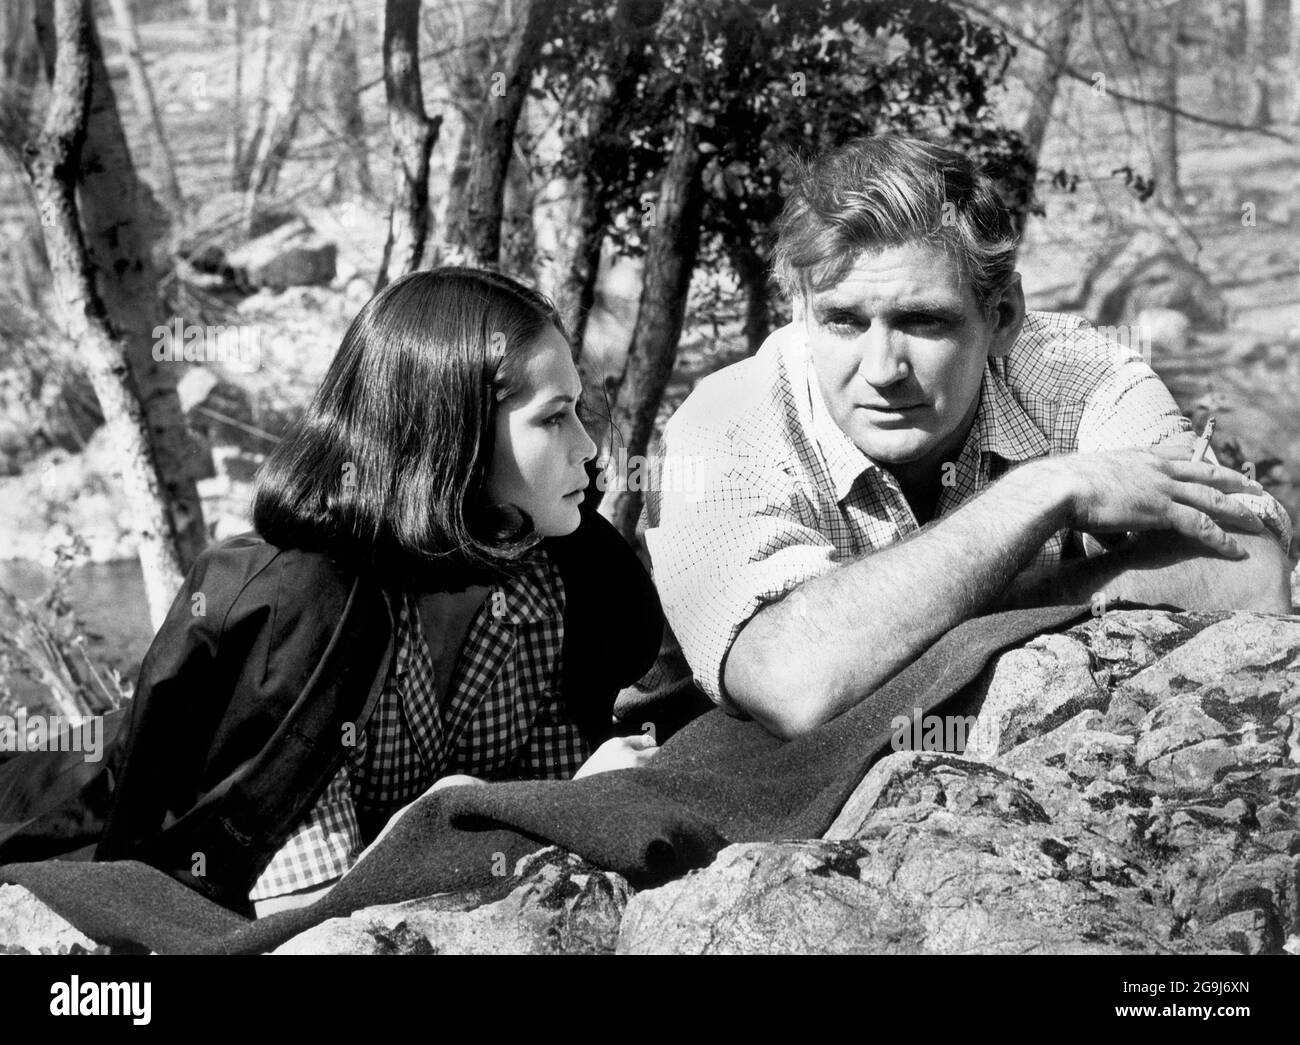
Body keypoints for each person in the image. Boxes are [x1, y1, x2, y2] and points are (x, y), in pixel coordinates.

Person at [644, 134, 1292, 741]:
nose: (882, 370)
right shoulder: (724, 424)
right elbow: (790, 684)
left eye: (923, 321)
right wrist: (1044, 491)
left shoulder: (1086, 377)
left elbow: (1249, 567)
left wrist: (901, 628)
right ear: (801, 314)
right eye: (843, 321)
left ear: (1002, 316)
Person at [94, 268, 664, 916]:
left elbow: (542, 821)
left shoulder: (553, 581)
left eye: (578, 411)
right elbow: (309, 917)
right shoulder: (304, 614)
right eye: (554, 417)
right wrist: (474, 814)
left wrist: (554, 807)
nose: (587, 447)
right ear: (454, 437)